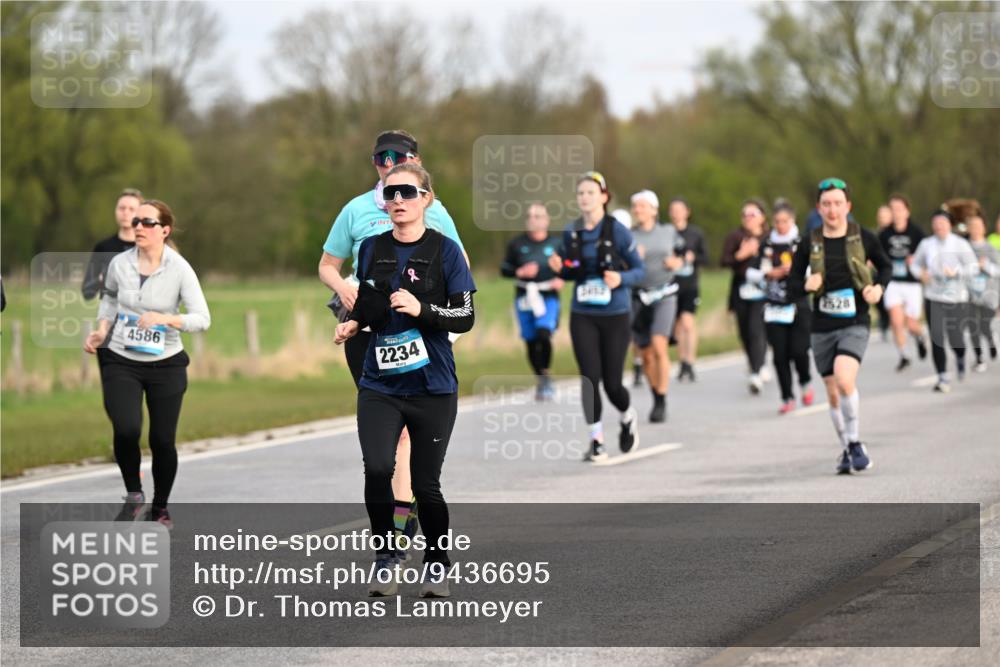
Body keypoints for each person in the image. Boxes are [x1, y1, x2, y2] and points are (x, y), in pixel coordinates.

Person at [319, 130, 466, 560]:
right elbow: (330, 265)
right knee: (388, 432)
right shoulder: (356, 211)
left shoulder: (434, 211)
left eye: (395, 156)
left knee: (409, 435)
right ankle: (395, 530)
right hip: (371, 332)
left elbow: (460, 274)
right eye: (380, 157)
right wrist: (348, 299)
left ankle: (405, 514)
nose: (387, 163)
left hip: (422, 335)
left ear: (415, 161)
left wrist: (435, 318)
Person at [83, 200, 211, 527]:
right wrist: (101, 330)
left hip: (166, 364)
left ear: (164, 230)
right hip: (121, 359)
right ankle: (134, 495)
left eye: (147, 222)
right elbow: (109, 298)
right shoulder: (119, 263)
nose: (138, 226)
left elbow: (202, 318)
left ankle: (160, 508)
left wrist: (166, 318)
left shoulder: (179, 268)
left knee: (162, 441)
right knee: (126, 428)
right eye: (136, 221)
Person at [787, 178, 891, 474]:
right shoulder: (809, 242)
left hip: (854, 321)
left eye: (837, 203)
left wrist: (878, 288)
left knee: (845, 380)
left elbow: (886, 266)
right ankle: (846, 447)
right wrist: (805, 284)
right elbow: (792, 284)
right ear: (818, 208)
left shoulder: (864, 237)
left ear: (848, 206)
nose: (832, 210)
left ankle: (855, 443)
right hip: (821, 325)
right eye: (826, 204)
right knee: (833, 393)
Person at [547, 171, 644, 462]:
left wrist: (621, 278)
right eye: (580, 193)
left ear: (604, 196)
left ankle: (627, 416)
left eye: (590, 192)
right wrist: (558, 267)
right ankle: (596, 439)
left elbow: (640, 271)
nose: (585, 198)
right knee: (590, 378)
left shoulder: (618, 231)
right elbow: (569, 269)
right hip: (583, 314)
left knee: (613, 384)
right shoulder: (571, 231)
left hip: (615, 314)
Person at [747, 203, 814, 414]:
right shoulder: (767, 244)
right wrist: (769, 274)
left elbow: (815, 270)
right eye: (777, 221)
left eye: (785, 221)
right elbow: (750, 273)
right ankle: (787, 396)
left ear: (793, 221)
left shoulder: (802, 242)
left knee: (799, 351)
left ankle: (805, 381)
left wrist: (796, 271)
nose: (781, 225)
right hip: (774, 306)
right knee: (779, 355)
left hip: (798, 304)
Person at [910, 210, 980, 392]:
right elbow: (915, 265)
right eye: (936, 223)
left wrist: (956, 272)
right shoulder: (926, 244)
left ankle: (960, 356)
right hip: (933, 296)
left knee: (955, 337)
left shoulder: (960, 244)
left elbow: (974, 267)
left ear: (950, 225)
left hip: (957, 297)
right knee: (937, 338)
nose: (939, 226)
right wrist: (921, 274)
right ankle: (942, 377)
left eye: (943, 223)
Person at [500, 203, 564, 400]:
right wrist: (519, 271)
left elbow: (571, 265)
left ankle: (546, 373)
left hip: (547, 295)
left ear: (547, 220)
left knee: (544, 333)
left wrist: (561, 277)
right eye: (530, 216)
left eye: (538, 216)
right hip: (524, 296)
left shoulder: (557, 244)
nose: (533, 220)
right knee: (530, 340)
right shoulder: (517, 244)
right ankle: (541, 378)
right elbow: (504, 269)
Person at [629, 189, 679, 423]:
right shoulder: (629, 236)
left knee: (660, 345)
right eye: (635, 206)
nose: (637, 210)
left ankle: (662, 398)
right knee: (646, 355)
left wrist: (677, 262)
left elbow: (683, 254)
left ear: (653, 209)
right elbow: (618, 264)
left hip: (664, 293)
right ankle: (656, 394)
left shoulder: (668, 231)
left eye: (642, 206)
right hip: (638, 297)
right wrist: (631, 258)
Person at [721, 199, 769, 394]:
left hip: (764, 290)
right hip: (741, 289)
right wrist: (741, 254)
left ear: (762, 217)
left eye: (752, 214)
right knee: (744, 332)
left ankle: (756, 372)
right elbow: (724, 261)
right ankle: (755, 363)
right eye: (745, 215)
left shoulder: (769, 237)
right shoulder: (735, 236)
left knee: (757, 329)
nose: (748, 218)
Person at [879, 194, 928, 371]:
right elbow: (877, 255)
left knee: (912, 323)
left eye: (899, 209)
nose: (896, 213)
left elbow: (927, 256)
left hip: (912, 283)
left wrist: (916, 260)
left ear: (907, 211)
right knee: (896, 321)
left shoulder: (917, 232)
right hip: (893, 282)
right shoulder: (884, 234)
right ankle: (904, 355)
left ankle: (920, 336)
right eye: (893, 209)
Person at [669, 197, 708, 382]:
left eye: (679, 210)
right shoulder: (666, 233)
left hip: (690, 285)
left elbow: (705, 258)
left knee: (688, 322)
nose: (676, 213)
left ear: (687, 212)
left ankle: (690, 361)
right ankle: (682, 362)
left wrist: (693, 258)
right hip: (671, 284)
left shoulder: (695, 233)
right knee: (677, 326)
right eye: (673, 210)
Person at [82, 188, 142, 300]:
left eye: (131, 209)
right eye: (122, 208)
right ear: (115, 211)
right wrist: (102, 279)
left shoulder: (148, 248)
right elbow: (87, 293)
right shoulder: (103, 247)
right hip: (110, 309)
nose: (125, 213)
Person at [965, 215, 999, 370]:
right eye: (972, 226)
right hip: (969, 294)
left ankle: (991, 342)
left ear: (984, 228)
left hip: (989, 295)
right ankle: (979, 358)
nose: (975, 229)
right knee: (972, 325)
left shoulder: (991, 248)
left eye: (978, 226)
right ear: (968, 228)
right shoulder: (964, 248)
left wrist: (986, 266)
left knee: (984, 325)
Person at [874, 204, 894, 341]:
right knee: (879, 299)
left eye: (885, 216)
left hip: (893, 271)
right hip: (878, 270)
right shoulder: (876, 234)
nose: (882, 219)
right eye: (880, 216)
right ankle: (884, 320)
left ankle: (891, 321)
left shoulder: (894, 233)